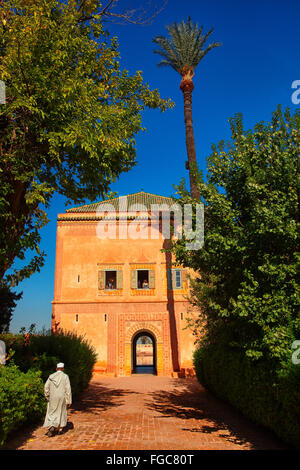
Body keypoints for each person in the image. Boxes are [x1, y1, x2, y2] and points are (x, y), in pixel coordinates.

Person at [43, 362, 72, 437]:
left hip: (53, 397)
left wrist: (47, 396)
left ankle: (52, 426)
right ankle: (59, 429)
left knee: (52, 412)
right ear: (63, 369)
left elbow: (46, 387)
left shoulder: (51, 376)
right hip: (62, 397)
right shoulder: (65, 376)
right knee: (61, 412)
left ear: (56, 369)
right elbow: (68, 389)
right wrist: (69, 400)